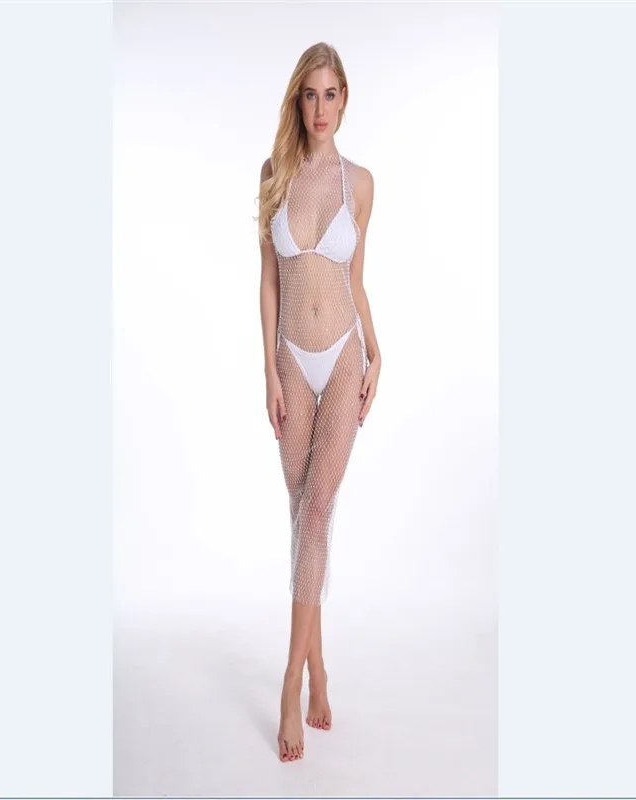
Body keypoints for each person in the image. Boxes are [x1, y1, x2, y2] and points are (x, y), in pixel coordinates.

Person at [256, 42, 382, 763]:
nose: (321, 107)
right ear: (297, 101)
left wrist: (378, 349)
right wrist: (268, 373)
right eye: (310, 94)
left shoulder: (359, 182)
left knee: (318, 508)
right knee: (301, 511)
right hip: (290, 364)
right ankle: (321, 667)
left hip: (341, 359)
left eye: (331, 94)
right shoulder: (273, 174)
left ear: (344, 99)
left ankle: (291, 682)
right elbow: (268, 282)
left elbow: (356, 278)